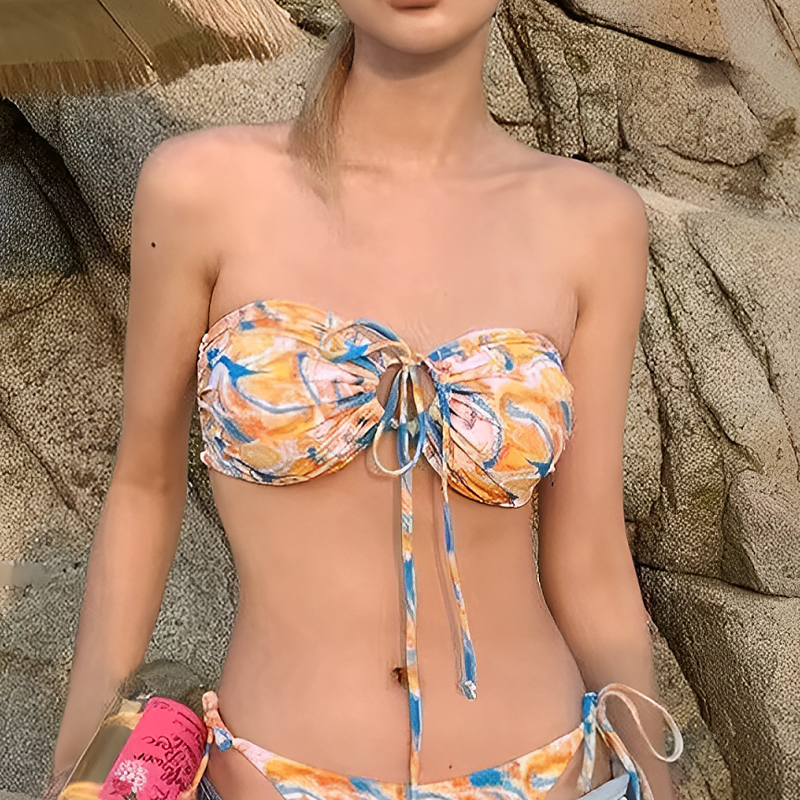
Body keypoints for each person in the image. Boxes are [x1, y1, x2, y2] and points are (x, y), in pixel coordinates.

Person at [49, 2, 684, 800]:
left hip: (548, 770)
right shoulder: (200, 190)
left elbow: (589, 557)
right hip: (270, 776)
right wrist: (74, 764)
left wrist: (656, 781)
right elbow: (144, 487)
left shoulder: (594, 222)